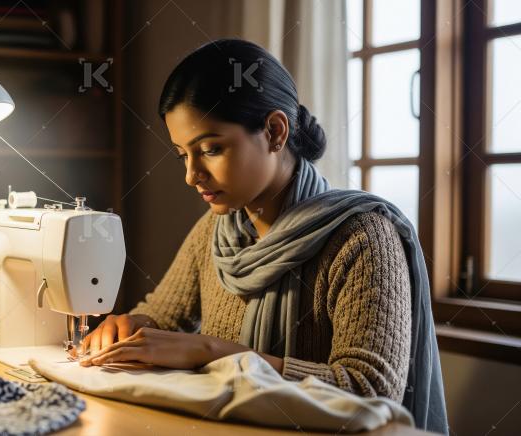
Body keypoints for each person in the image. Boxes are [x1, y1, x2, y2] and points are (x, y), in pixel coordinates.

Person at [79, 39, 448, 434]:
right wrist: (128, 326)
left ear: (274, 131)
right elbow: (163, 317)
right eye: (183, 155)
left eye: (210, 149)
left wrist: (215, 351)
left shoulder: (363, 239)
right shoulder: (216, 232)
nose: (191, 175)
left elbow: (369, 391)